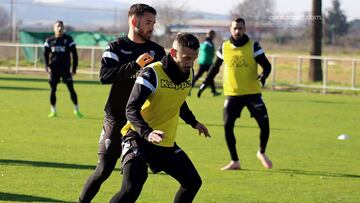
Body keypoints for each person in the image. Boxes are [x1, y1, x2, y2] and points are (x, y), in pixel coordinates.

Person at [78, 4, 166, 203]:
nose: (152, 28)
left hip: (140, 124)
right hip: (116, 118)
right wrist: (135, 65)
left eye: (153, 23)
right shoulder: (116, 47)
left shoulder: (157, 51)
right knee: (103, 170)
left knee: (135, 179)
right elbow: (105, 75)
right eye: (148, 23)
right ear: (134, 22)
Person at [110, 32, 210, 203]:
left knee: (192, 182)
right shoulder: (152, 73)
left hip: (163, 140)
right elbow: (131, 108)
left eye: (194, 59)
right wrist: (147, 133)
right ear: (173, 53)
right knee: (131, 188)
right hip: (137, 137)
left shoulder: (189, 72)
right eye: (186, 58)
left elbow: (179, 100)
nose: (190, 63)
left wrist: (193, 122)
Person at [197, 17, 273, 170]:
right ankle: (235, 161)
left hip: (253, 94)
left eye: (240, 28)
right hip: (233, 94)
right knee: (227, 126)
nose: (237, 31)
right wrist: (205, 83)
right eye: (235, 28)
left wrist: (264, 75)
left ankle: (261, 152)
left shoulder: (253, 46)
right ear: (230, 30)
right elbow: (214, 68)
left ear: (244, 29)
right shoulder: (224, 47)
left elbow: (267, 66)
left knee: (265, 125)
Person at [44, 20, 83, 118]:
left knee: (71, 89)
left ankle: (77, 110)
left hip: (65, 69)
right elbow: (45, 54)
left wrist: (74, 69)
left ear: (63, 28)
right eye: (57, 26)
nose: (59, 28)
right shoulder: (49, 40)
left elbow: (75, 55)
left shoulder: (68, 40)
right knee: (53, 90)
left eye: (61, 26)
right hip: (54, 70)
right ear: (54, 28)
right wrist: (47, 66)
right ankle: (53, 111)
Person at [192, 29, 220, 96]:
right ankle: (213, 91)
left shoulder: (205, 41)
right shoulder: (209, 42)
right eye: (213, 35)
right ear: (211, 34)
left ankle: (213, 91)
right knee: (209, 76)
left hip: (203, 61)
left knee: (206, 76)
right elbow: (209, 50)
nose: (214, 36)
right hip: (206, 62)